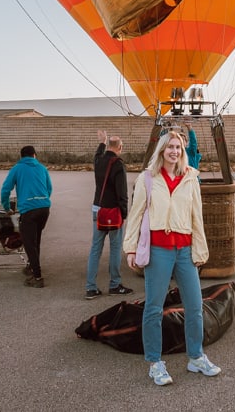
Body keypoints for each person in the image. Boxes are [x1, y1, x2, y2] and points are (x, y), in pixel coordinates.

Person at [123, 130, 221, 386]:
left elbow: (196, 217)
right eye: (170, 147)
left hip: (185, 250)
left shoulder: (191, 179)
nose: (174, 151)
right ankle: (155, 362)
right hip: (158, 250)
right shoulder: (148, 179)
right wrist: (130, 248)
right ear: (162, 150)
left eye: (178, 147)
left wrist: (200, 250)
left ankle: (196, 357)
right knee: (154, 308)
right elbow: (135, 215)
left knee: (195, 307)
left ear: (182, 151)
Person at [85, 130, 133, 300]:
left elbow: (97, 153)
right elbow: (122, 193)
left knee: (95, 249)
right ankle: (114, 285)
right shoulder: (118, 164)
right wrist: (125, 213)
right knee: (115, 249)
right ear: (120, 147)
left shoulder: (99, 160)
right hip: (113, 211)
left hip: (97, 209)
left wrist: (102, 141)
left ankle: (90, 288)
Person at [0, 145, 52, 288]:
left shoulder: (17, 168)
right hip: (44, 208)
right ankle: (31, 267)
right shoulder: (42, 168)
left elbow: (5, 189)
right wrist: (42, 200)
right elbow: (49, 188)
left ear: (21, 157)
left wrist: (6, 207)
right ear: (34, 155)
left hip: (29, 210)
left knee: (29, 243)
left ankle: (37, 277)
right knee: (36, 240)